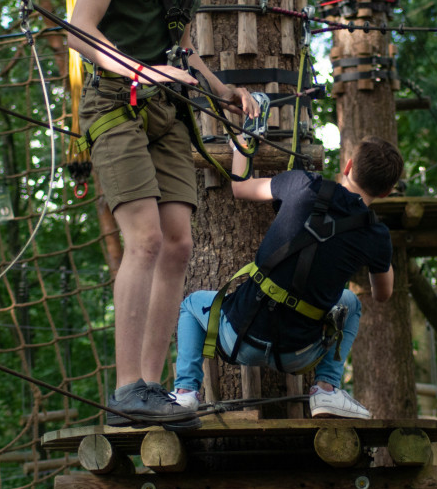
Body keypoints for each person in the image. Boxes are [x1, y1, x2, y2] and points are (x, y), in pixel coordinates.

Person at [67, 0, 258, 428]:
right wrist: (139, 71)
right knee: (144, 239)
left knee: (178, 243)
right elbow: (77, 29)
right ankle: (127, 389)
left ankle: (152, 386)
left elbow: (179, 43)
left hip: (167, 107)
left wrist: (221, 89)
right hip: (114, 102)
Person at [172, 136, 403, 419]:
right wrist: (381, 248)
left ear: (349, 165)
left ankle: (185, 394)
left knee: (191, 304)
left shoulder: (302, 184)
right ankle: (326, 389)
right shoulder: (376, 235)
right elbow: (383, 294)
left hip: (239, 338)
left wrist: (243, 146)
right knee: (351, 302)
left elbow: (240, 188)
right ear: (386, 192)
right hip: (298, 354)